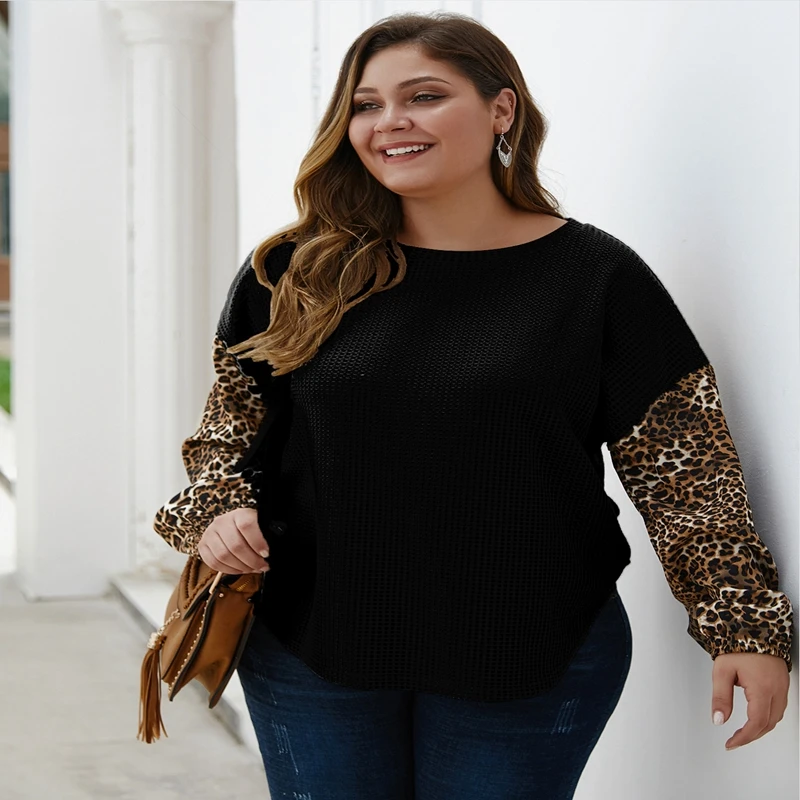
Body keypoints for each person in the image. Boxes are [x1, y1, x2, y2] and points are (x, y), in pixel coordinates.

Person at [151, 10, 793, 798]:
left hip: (532, 652)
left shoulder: (596, 280)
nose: (390, 122)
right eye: (366, 105)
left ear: (501, 109)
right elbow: (225, 437)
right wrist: (218, 512)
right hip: (314, 648)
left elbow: (687, 476)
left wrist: (744, 627)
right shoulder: (295, 272)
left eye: (423, 96)